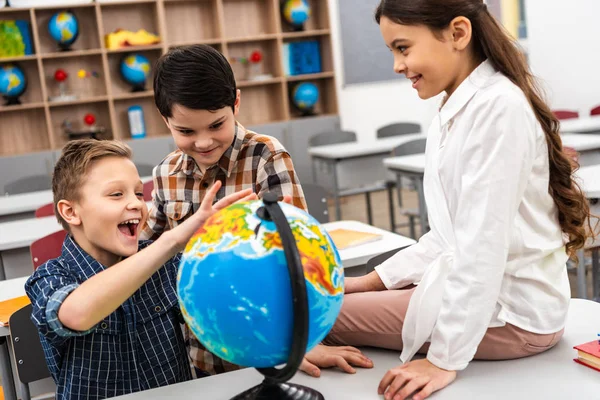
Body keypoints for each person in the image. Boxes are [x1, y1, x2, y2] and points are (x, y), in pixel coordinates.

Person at [321, 1, 594, 399]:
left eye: (403, 47)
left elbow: (481, 248)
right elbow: (447, 237)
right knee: (337, 302)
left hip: (512, 316)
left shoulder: (498, 108)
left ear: (458, 34)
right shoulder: (456, 109)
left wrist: (443, 360)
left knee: (318, 316)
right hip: (496, 302)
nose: (397, 65)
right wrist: (368, 283)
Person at [141, 43, 373, 378]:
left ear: (236, 102)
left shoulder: (266, 157)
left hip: (270, 341)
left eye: (216, 125)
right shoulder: (165, 174)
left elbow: (300, 254)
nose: (203, 142)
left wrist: (306, 341)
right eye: (186, 131)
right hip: (202, 348)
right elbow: (148, 252)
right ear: (166, 120)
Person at [25, 139, 255, 400]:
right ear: (71, 212)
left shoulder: (164, 264)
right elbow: (77, 314)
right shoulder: (48, 277)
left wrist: (284, 347)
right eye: (116, 194)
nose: (136, 203)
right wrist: (170, 241)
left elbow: (225, 316)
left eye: (138, 193)